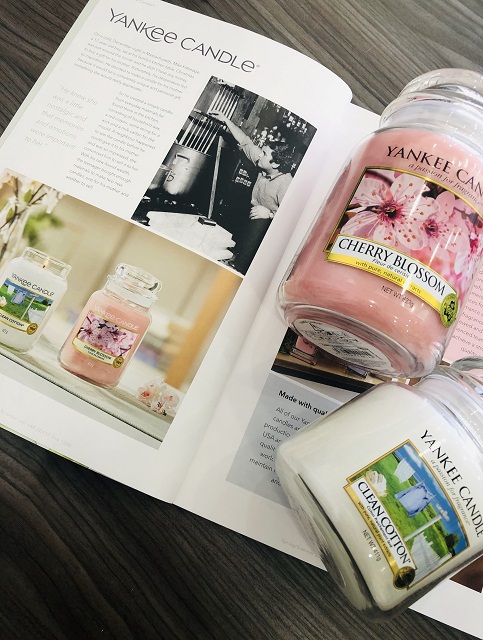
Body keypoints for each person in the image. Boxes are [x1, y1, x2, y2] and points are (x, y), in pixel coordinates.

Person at [209, 111, 293, 273]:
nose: (259, 155)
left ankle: (240, 266)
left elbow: (291, 219)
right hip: (252, 219)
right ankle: (234, 257)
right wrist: (225, 120)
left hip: (270, 232)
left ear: (275, 164)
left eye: (264, 154)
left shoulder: (286, 184)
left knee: (259, 221)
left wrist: (270, 214)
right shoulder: (264, 164)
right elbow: (245, 142)